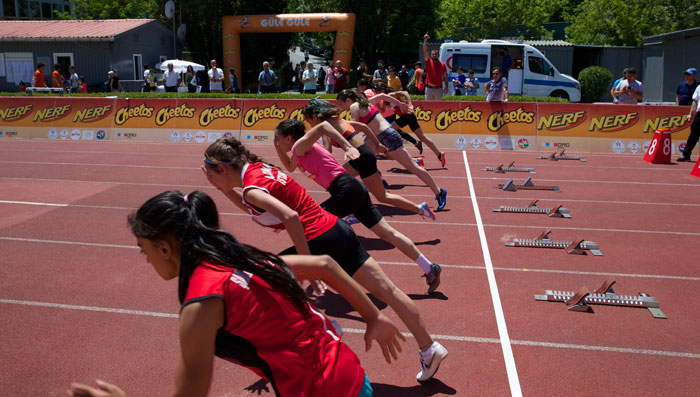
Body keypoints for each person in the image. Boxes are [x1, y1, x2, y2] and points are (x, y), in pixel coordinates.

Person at [69, 190, 405, 396]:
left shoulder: (201, 303)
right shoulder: (246, 258)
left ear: (165, 248)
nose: (145, 258)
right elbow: (325, 264)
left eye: (144, 250)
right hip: (348, 373)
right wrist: (372, 316)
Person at [202, 139, 449, 381]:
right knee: (390, 291)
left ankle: (324, 329)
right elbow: (255, 208)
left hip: (319, 239)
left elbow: (290, 218)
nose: (211, 178)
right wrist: (224, 189)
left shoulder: (252, 189)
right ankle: (429, 348)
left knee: (255, 283)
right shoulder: (258, 171)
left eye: (212, 174)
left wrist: (308, 262)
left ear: (222, 168)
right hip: (338, 230)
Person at [305, 98, 436, 223]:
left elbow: (328, 151)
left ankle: (419, 208)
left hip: (362, 157)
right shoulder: (337, 120)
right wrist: (376, 144)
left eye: (309, 121)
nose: (310, 125)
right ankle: (353, 213)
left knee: (382, 196)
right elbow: (363, 126)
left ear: (315, 117)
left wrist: (309, 149)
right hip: (363, 154)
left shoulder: (325, 125)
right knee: (340, 184)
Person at [337, 88, 448, 211]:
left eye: (341, 104)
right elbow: (383, 96)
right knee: (363, 157)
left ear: (348, 100)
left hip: (387, 137)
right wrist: (400, 104)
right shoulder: (366, 102)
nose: (342, 108)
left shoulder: (354, 107)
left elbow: (355, 129)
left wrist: (338, 124)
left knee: (413, 168)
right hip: (381, 137)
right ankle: (378, 177)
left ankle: (439, 192)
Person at [372, 85, 446, 166]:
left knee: (388, 129)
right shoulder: (384, 101)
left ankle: (401, 152)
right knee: (422, 137)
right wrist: (377, 104)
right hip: (409, 116)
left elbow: (405, 92)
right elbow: (382, 111)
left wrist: (410, 103)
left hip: (408, 115)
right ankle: (439, 154)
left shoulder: (390, 95)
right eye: (376, 92)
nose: (376, 93)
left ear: (382, 90)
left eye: (378, 91)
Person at [422, 33, 449, 100]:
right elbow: (425, 50)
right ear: (431, 55)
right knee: (427, 108)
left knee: (438, 107)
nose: (434, 55)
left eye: (436, 54)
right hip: (429, 88)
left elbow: (445, 77)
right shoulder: (428, 62)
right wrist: (425, 40)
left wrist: (446, 87)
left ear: (438, 55)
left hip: (438, 89)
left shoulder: (442, 65)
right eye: (433, 54)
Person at [678, 84, 700, 162]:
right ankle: (686, 155)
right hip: (699, 115)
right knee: (693, 136)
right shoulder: (699, 87)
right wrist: (690, 113)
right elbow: (695, 101)